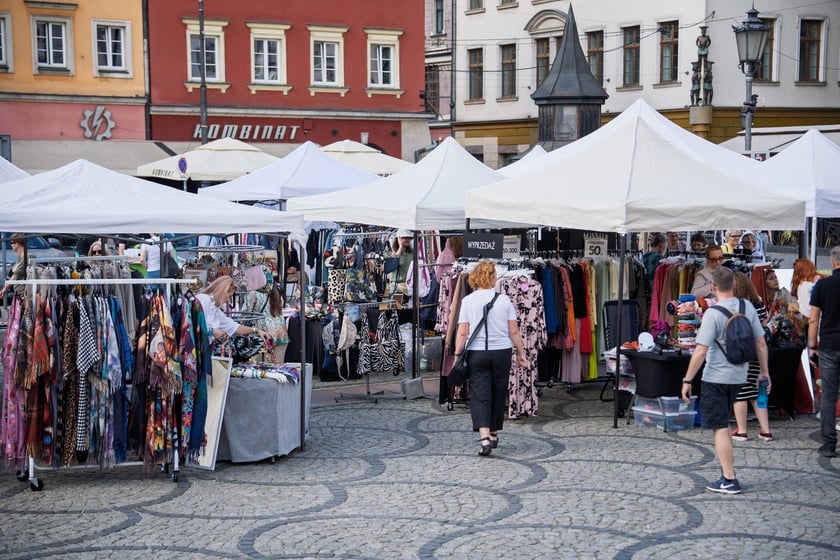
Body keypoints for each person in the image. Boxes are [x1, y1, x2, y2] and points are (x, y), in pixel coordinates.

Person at [682, 267, 770, 494]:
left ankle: (729, 479)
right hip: (740, 375)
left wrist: (688, 379)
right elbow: (760, 342)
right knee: (725, 423)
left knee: (720, 427)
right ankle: (727, 473)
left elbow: (701, 351)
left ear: (713, 286)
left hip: (715, 377)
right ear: (734, 283)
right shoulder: (747, 306)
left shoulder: (712, 314)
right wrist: (764, 372)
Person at [453, 260, 527, 457]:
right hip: (502, 352)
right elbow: (514, 331)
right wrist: (521, 353)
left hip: (477, 353)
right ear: (493, 278)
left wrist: (457, 355)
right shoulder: (504, 300)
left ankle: (485, 438)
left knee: (480, 394)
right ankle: (494, 433)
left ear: (475, 278)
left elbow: (462, 332)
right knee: (498, 391)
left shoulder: (468, 301)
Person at [730, 272, 774, 443]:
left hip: (740, 351)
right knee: (757, 390)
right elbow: (764, 325)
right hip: (757, 350)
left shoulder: (733, 304)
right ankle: (766, 430)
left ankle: (742, 431)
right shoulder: (758, 302)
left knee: (740, 392)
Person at [808, 245, 840, 458]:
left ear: (833, 262)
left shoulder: (823, 285)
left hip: (829, 345)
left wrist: (812, 347)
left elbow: (813, 319)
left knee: (828, 395)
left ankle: (829, 443)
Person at [196, 275, 271, 344]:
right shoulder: (202, 300)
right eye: (229, 296)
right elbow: (192, 325)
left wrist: (256, 330)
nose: (228, 300)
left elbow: (234, 327)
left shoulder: (216, 310)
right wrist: (211, 332)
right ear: (223, 291)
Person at [791, 257, 822, 328]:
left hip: (819, 325)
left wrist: (797, 308)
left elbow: (809, 311)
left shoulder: (803, 285)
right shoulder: (821, 278)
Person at [0, 233, 27, 301]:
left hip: (24, 295)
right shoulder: (20, 257)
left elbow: (15, 276)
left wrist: (5, 289)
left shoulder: (26, 257)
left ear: (17, 243)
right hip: (18, 293)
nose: (11, 245)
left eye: (12, 243)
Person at [390, 228, 414, 294]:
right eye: (404, 238)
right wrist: (400, 247)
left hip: (409, 285)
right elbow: (394, 264)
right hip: (396, 286)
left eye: (409, 238)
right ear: (398, 239)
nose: (408, 240)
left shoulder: (412, 252)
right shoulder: (392, 252)